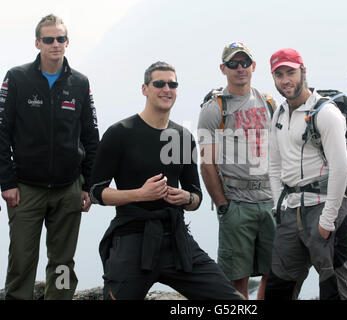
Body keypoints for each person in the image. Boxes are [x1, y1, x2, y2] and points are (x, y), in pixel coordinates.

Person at [90, 61, 243, 300]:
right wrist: (139, 195)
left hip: (176, 238)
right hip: (132, 238)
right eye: (159, 83)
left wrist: (186, 198)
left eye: (172, 84)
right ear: (145, 89)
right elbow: (96, 192)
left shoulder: (182, 137)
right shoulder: (120, 133)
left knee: (233, 302)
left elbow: (196, 197)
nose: (166, 89)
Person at [0, 14, 100, 300]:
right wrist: (6, 182)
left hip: (68, 188)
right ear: (37, 43)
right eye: (48, 39)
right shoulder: (17, 78)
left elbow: (91, 136)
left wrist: (88, 185)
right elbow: (1, 132)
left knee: (63, 263)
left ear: (67, 42)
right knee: (21, 259)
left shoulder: (79, 83)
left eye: (60, 39)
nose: (55, 44)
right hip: (25, 188)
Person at [265, 48, 347, 300]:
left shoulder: (326, 113)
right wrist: (279, 205)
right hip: (291, 211)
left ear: (303, 71)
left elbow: (341, 168)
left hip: (325, 209)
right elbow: (274, 165)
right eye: (279, 74)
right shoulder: (279, 113)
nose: (285, 80)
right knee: (278, 289)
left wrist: (327, 220)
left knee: (333, 290)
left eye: (290, 72)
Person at [198, 42, 276, 299]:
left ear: (254, 66)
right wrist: (222, 205)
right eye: (233, 64)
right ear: (224, 68)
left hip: (270, 201)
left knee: (274, 272)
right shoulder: (214, 108)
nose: (240, 68)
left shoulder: (269, 103)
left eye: (245, 63)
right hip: (236, 203)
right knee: (236, 277)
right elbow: (206, 163)